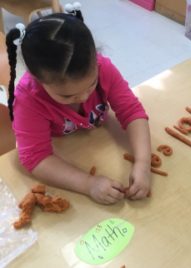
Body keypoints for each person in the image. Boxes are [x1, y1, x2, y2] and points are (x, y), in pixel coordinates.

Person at [5, 2, 151, 205]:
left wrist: (143, 162)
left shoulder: (103, 68)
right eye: (67, 96)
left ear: (95, 61)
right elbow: (36, 158)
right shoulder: (29, 99)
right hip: (62, 151)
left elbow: (132, 111)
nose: (83, 97)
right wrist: (87, 184)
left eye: (91, 85)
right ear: (38, 81)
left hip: (97, 136)